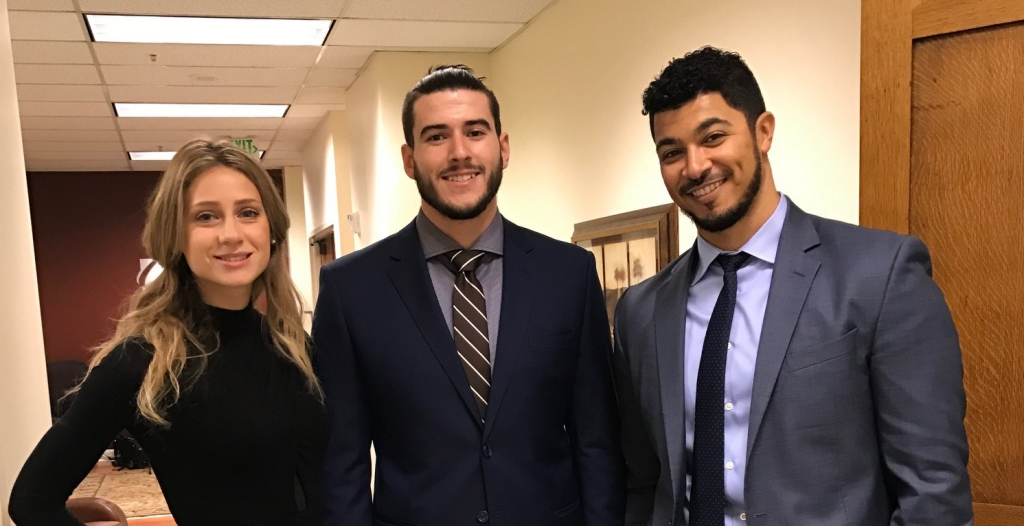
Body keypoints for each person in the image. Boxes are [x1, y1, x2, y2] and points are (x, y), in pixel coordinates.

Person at [613, 47, 972, 526]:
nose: (695, 167)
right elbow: (643, 480)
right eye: (672, 152)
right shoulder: (641, 311)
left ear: (763, 132)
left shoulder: (878, 274)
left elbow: (934, 492)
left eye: (713, 137)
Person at [312, 65, 624, 526]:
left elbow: (596, 440)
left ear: (502, 147)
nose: (460, 153)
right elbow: (342, 463)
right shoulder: (351, 289)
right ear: (409, 158)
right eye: (436, 137)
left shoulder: (568, 274)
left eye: (475, 132)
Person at [9, 139, 328, 526]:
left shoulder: (292, 347)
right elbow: (32, 500)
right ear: (176, 238)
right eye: (206, 217)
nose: (231, 234)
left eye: (247, 212)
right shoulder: (143, 361)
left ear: (271, 230)